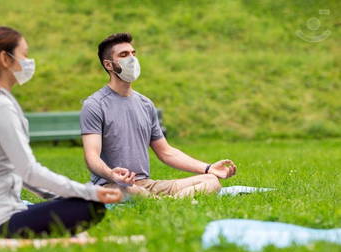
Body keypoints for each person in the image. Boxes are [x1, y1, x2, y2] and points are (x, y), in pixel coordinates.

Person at [0, 26, 122, 239]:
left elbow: (22, 175)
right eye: (24, 55)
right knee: (90, 207)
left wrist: (63, 196)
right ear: (4, 60)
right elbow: (29, 171)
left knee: (79, 202)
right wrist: (90, 192)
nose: (28, 61)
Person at [80, 33, 237, 198]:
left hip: (147, 184)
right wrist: (112, 175)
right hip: (113, 185)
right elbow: (92, 156)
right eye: (124, 55)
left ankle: (167, 202)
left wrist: (209, 168)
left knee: (211, 181)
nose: (132, 59)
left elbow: (166, 152)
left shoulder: (145, 104)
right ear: (109, 65)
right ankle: (172, 201)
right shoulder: (95, 105)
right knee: (134, 191)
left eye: (134, 53)